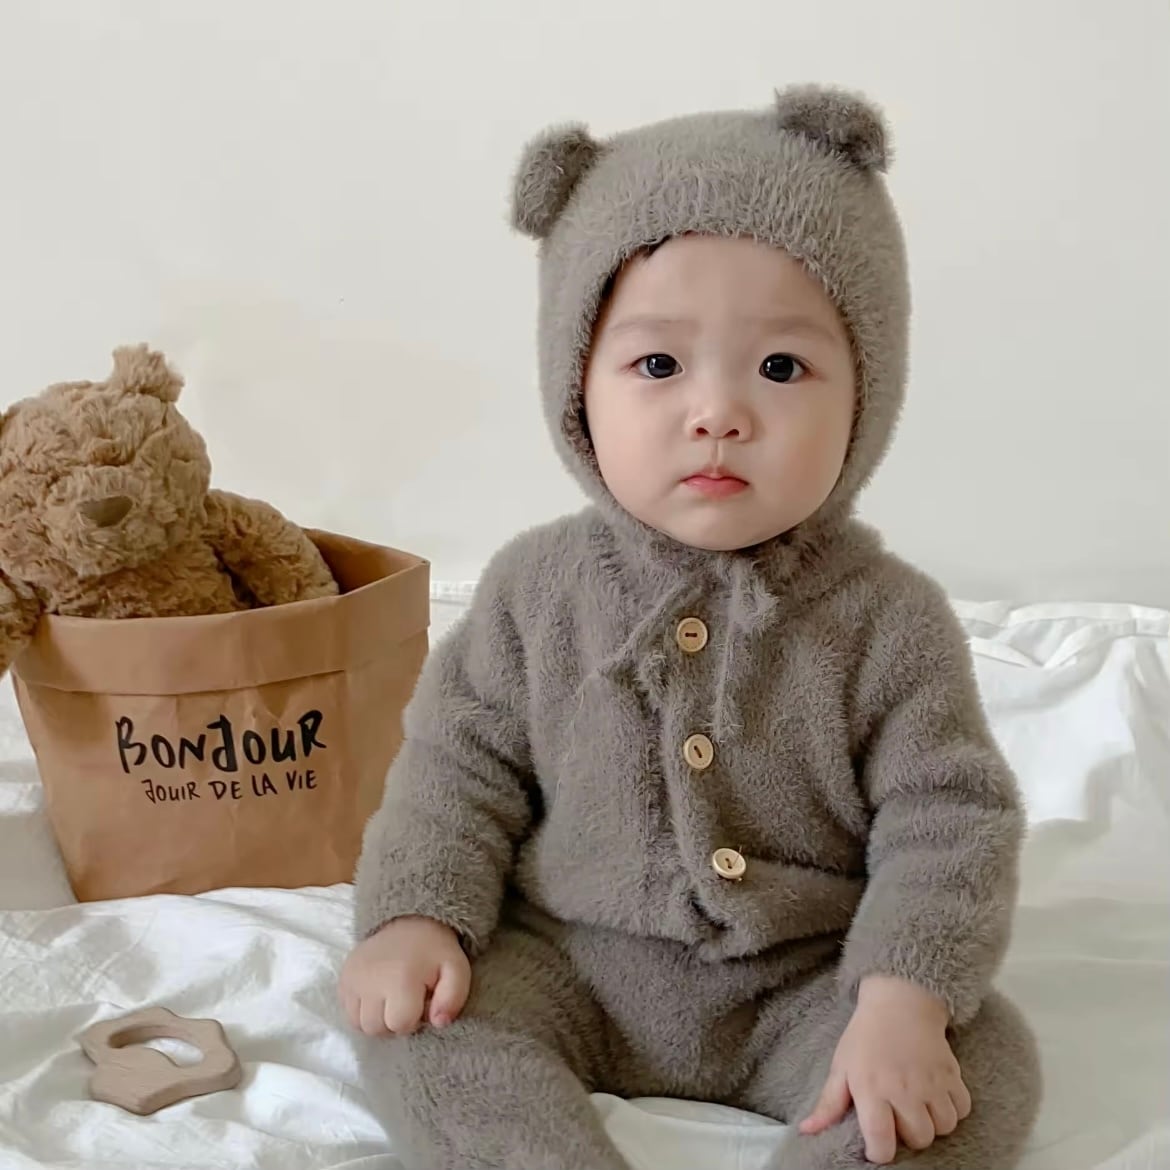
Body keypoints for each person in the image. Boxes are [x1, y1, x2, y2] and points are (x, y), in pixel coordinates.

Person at [339, 83, 1042, 1170]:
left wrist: (901, 998)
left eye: (781, 367)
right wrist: (415, 919)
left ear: (869, 392)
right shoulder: (533, 590)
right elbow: (457, 773)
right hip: (569, 963)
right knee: (419, 1031)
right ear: (577, 387)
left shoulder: (889, 618)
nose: (718, 413)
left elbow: (948, 819)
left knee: (973, 1064)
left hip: (808, 980)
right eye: (658, 365)